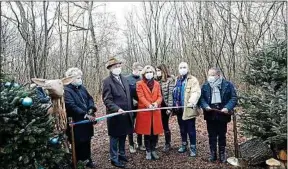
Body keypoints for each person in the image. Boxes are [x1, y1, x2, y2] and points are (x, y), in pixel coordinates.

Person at [199, 67, 237, 163]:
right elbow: (201, 99)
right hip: (210, 115)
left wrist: (227, 107)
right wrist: (205, 106)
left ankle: (222, 154)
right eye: (209, 75)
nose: (210, 77)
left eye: (212, 75)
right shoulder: (205, 86)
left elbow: (233, 98)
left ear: (218, 75)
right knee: (211, 135)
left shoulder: (228, 85)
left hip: (222, 115)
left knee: (222, 135)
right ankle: (213, 154)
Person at [102, 57, 134, 168]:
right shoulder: (107, 81)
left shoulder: (124, 79)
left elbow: (128, 95)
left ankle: (122, 154)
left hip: (126, 114)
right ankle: (114, 158)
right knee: (115, 137)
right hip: (115, 115)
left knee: (123, 135)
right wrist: (117, 109)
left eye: (119, 66)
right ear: (110, 68)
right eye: (116, 66)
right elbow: (107, 100)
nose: (118, 68)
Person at [64, 67, 97, 168]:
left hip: (87, 121)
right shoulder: (66, 90)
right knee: (78, 143)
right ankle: (78, 162)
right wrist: (85, 114)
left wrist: (91, 109)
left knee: (87, 141)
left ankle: (87, 160)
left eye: (80, 77)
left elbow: (90, 98)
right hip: (76, 122)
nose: (80, 80)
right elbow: (71, 105)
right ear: (71, 79)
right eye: (78, 78)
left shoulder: (82, 87)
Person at [135, 65, 163, 160]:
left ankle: (153, 149)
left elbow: (160, 96)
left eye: (150, 72)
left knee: (155, 132)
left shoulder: (157, 84)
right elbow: (141, 96)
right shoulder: (139, 83)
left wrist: (156, 103)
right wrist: (148, 105)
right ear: (143, 73)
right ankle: (148, 151)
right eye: (147, 72)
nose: (149, 74)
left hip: (155, 112)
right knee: (147, 132)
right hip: (145, 112)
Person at [172, 62, 201, 157]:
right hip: (179, 109)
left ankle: (193, 148)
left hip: (189, 109)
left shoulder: (193, 80)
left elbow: (196, 92)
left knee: (191, 129)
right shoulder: (177, 80)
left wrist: (191, 102)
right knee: (182, 129)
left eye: (184, 67)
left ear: (188, 69)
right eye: (180, 67)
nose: (182, 69)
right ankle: (184, 144)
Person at [126, 62, 145, 153]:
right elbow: (125, 93)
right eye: (139, 70)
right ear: (134, 69)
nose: (141, 72)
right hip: (131, 106)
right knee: (131, 125)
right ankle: (131, 144)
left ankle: (140, 143)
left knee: (140, 124)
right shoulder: (127, 79)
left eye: (142, 70)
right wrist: (132, 100)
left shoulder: (142, 79)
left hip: (141, 105)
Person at [156, 64, 175, 152]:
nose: (157, 72)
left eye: (159, 70)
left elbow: (171, 95)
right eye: (156, 71)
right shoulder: (155, 80)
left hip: (165, 106)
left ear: (163, 71)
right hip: (156, 106)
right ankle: (155, 142)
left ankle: (168, 143)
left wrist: (169, 108)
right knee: (156, 125)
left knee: (165, 125)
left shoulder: (169, 80)